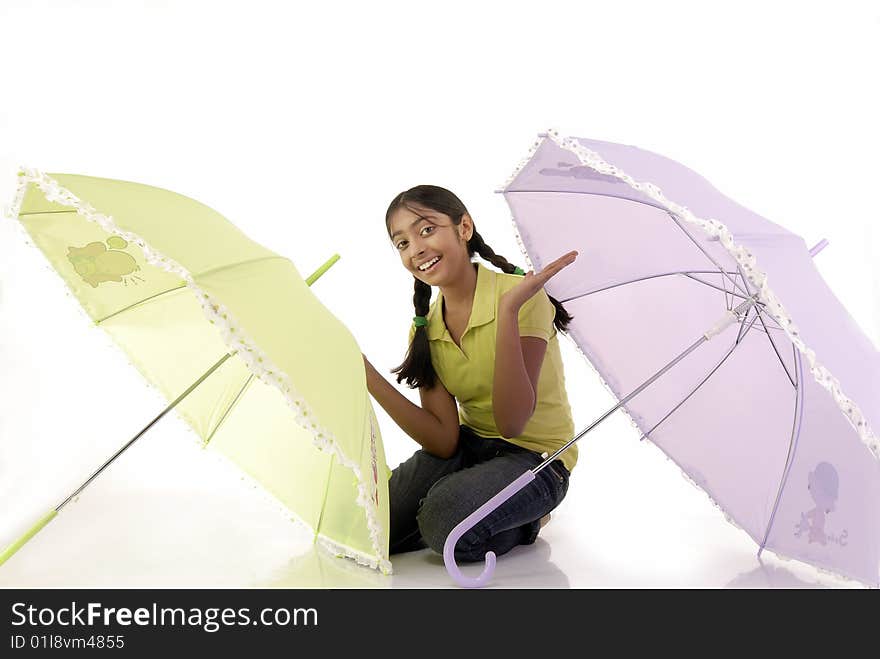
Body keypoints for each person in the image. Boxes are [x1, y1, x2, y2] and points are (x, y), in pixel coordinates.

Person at [362, 184, 578, 563]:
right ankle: (464, 498)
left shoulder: (523, 297)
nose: (416, 249)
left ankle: (532, 519)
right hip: (470, 446)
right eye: (402, 243)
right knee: (371, 522)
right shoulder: (425, 327)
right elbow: (444, 442)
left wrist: (508, 312)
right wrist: (365, 374)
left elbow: (512, 424)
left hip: (536, 460)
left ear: (464, 228)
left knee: (443, 524)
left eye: (426, 230)